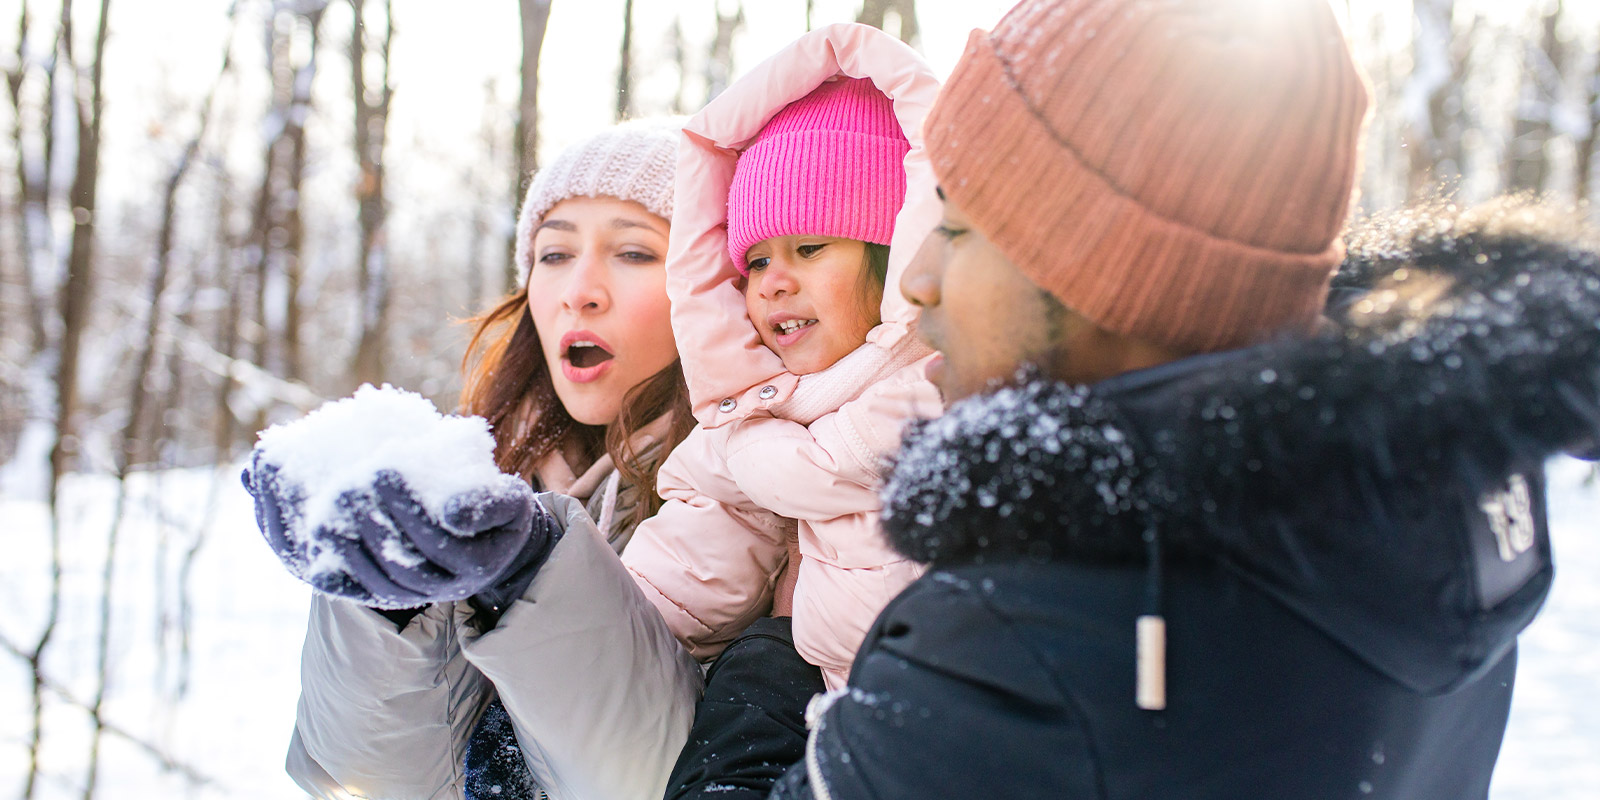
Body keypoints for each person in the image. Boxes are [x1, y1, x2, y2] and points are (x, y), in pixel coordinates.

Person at [771, 0, 1600, 798]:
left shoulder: (1032, 647)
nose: (916, 282)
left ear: (1103, 272)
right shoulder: (1439, 493)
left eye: (954, 229)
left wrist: (762, 666)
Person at [246, 119, 706, 800]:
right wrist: (387, 606)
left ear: (704, 294)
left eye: (634, 253)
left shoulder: (754, 505)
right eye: (553, 255)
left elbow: (658, 780)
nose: (580, 289)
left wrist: (535, 575)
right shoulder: (482, 476)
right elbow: (366, 784)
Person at [610, 24, 942, 798]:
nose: (773, 283)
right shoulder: (755, 419)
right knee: (759, 660)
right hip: (817, 700)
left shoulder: (948, 385)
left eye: (810, 249)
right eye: (755, 260)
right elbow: (683, 577)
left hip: (946, 707)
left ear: (896, 253)